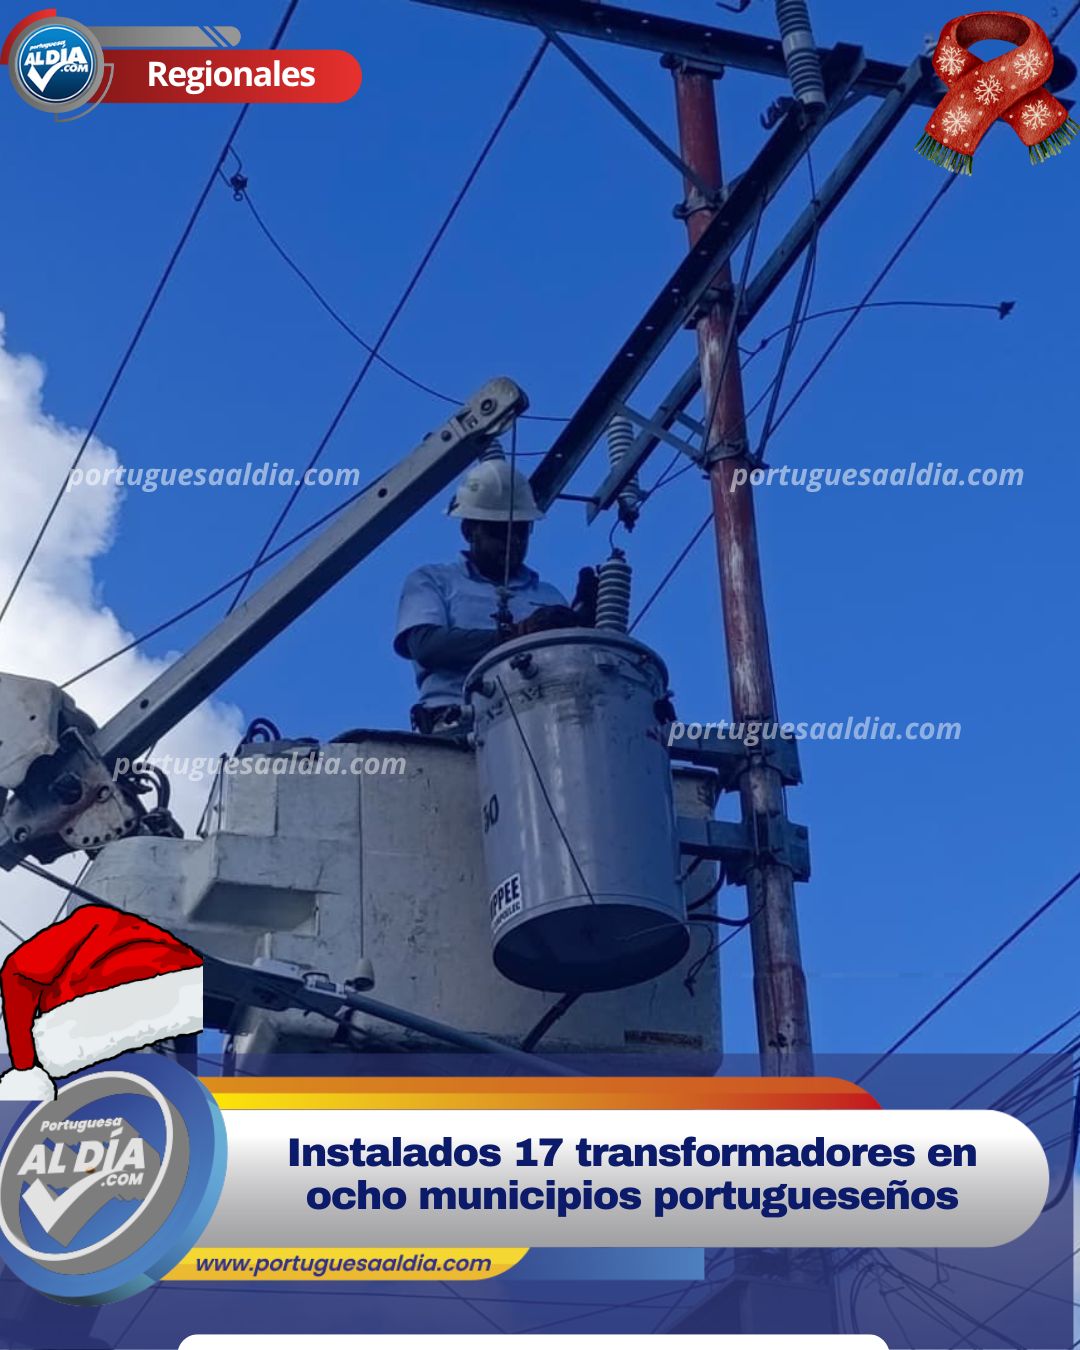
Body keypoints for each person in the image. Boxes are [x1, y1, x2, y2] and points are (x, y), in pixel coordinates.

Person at [394, 453, 597, 734]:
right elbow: (426, 646)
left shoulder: (547, 595)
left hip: (542, 726)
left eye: (521, 532)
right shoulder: (433, 580)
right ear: (469, 531)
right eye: (498, 532)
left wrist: (584, 626)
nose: (512, 541)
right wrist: (517, 636)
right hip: (457, 728)